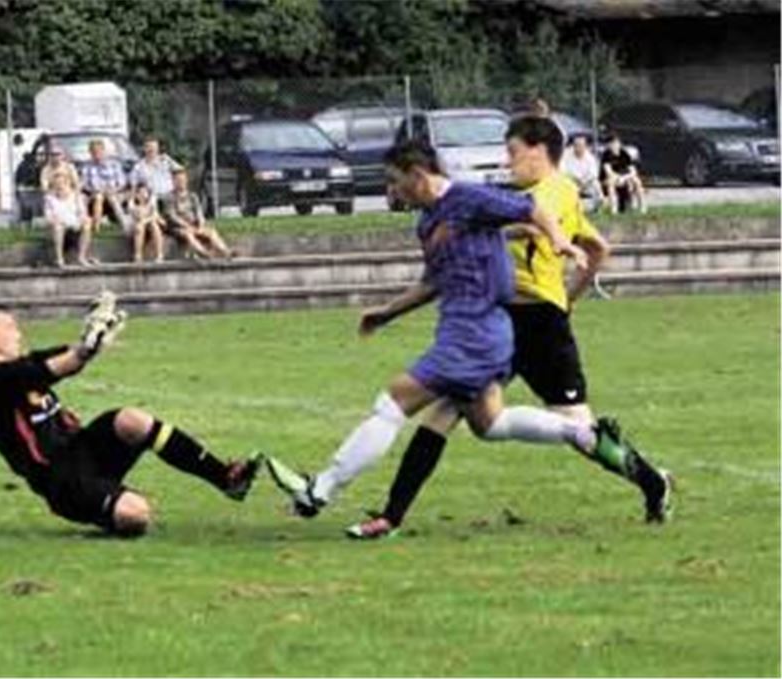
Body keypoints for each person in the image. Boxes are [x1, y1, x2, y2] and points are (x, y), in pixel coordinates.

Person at [264, 138, 630, 525]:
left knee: (392, 404)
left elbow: (533, 209)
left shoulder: (469, 198)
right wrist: (387, 313)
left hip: (474, 336)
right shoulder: (428, 223)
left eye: (394, 181)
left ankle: (320, 489)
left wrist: (558, 241)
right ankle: (581, 434)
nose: (392, 191)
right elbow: (433, 282)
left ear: (418, 176)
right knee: (489, 424)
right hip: (467, 332)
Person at [345, 116, 672, 539]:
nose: (508, 160)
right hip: (498, 322)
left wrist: (562, 298)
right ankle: (391, 515)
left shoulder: (555, 191)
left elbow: (543, 226)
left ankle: (652, 482)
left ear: (539, 151)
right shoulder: (532, 193)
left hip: (538, 325)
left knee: (577, 426)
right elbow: (597, 247)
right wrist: (571, 292)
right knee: (445, 409)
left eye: (513, 152)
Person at [0, 297, 261, 537]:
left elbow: (65, 358)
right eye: (10, 327)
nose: (18, 333)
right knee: (137, 516)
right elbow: (48, 369)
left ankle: (226, 479)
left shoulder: (20, 365)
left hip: (82, 448)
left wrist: (91, 343)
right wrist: (86, 349)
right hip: (62, 481)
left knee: (131, 420)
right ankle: (113, 500)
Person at [164, 169, 232, 259]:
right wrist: (186, 225)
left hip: (194, 225)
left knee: (211, 232)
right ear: (173, 182)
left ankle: (226, 251)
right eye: (178, 180)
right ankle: (203, 253)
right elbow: (172, 216)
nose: (181, 182)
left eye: (183, 179)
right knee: (188, 234)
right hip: (178, 228)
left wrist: (201, 224)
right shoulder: (170, 197)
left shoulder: (192, 196)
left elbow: (199, 213)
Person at [44, 171, 96, 268]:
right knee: (58, 227)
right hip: (59, 226)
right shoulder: (49, 199)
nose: (60, 187)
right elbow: (48, 217)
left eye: (62, 184)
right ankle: (59, 259)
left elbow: (82, 213)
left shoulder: (76, 197)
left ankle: (81, 257)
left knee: (87, 223)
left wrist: (82, 219)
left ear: (68, 184)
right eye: (56, 185)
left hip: (74, 225)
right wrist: (56, 221)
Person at [80, 139, 132, 235]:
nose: (97, 154)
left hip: (114, 193)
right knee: (98, 197)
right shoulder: (87, 166)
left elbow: (122, 182)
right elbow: (84, 184)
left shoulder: (114, 164)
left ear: (103, 151)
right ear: (90, 153)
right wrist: (94, 190)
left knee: (112, 197)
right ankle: (96, 227)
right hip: (94, 193)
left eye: (99, 151)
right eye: (94, 152)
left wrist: (114, 190)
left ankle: (125, 225)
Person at [600, 134, 647, 214]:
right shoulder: (606, 155)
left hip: (624, 178)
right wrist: (618, 178)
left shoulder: (624, 154)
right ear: (608, 145)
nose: (614, 145)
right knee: (611, 182)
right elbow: (608, 172)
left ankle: (642, 207)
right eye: (612, 143)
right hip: (610, 179)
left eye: (616, 143)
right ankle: (614, 209)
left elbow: (633, 171)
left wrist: (624, 178)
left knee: (637, 181)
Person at [561, 134, 606, 212]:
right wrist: (574, 179)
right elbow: (562, 171)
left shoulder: (590, 158)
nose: (579, 148)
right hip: (571, 181)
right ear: (573, 146)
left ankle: (599, 202)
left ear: (585, 146)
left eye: (581, 145)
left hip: (586, 182)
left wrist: (584, 182)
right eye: (576, 145)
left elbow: (593, 174)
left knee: (596, 184)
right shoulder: (566, 155)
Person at [130, 137, 182, 203]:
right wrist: (131, 201)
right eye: (148, 147)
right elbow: (133, 185)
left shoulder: (166, 160)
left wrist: (178, 188)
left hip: (170, 195)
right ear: (144, 149)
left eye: (154, 147)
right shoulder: (138, 167)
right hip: (152, 197)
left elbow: (180, 172)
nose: (151, 149)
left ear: (158, 148)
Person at [127, 183, 166, 263]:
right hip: (135, 228)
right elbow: (139, 217)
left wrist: (146, 221)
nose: (143, 195)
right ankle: (138, 255)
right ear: (136, 195)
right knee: (140, 227)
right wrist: (145, 220)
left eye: (145, 192)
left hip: (149, 225)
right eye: (140, 193)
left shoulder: (151, 203)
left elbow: (155, 216)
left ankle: (159, 254)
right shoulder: (132, 204)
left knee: (154, 226)